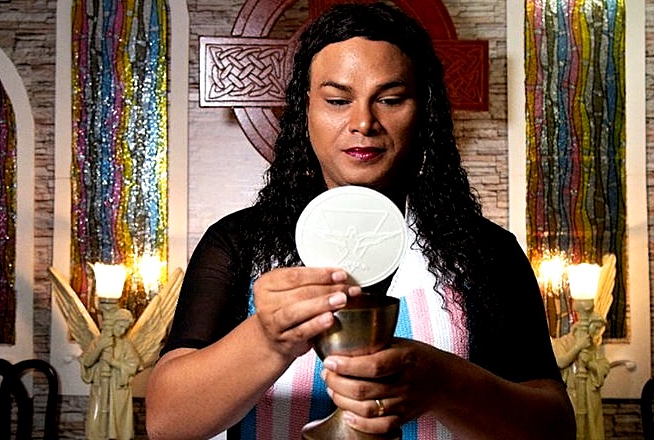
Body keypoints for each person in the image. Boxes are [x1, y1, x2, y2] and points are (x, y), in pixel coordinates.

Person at [145, 3, 576, 439]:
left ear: (422, 109)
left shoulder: (483, 252)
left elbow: (555, 428)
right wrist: (267, 338)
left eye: (390, 100)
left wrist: (444, 382)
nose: (364, 123)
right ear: (305, 111)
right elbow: (166, 424)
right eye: (337, 101)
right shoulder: (237, 244)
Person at [80, 307, 140, 440]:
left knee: (118, 424)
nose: (122, 331)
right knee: (96, 424)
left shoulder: (126, 345)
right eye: (120, 326)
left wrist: (113, 362)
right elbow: (87, 362)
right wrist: (100, 347)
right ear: (113, 322)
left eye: (125, 328)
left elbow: (133, 365)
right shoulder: (99, 341)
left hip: (118, 389)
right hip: (101, 387)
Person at [552, 313, 610, 440]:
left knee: (591, 428)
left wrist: (590, 364)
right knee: (573, 425)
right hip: (570, 392)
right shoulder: (564, 342)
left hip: (590, 395)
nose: (597, 334)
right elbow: (560, 362)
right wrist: (578, 347)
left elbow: (604, 367)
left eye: (599, 330)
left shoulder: (593, 347)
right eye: (595, 329)